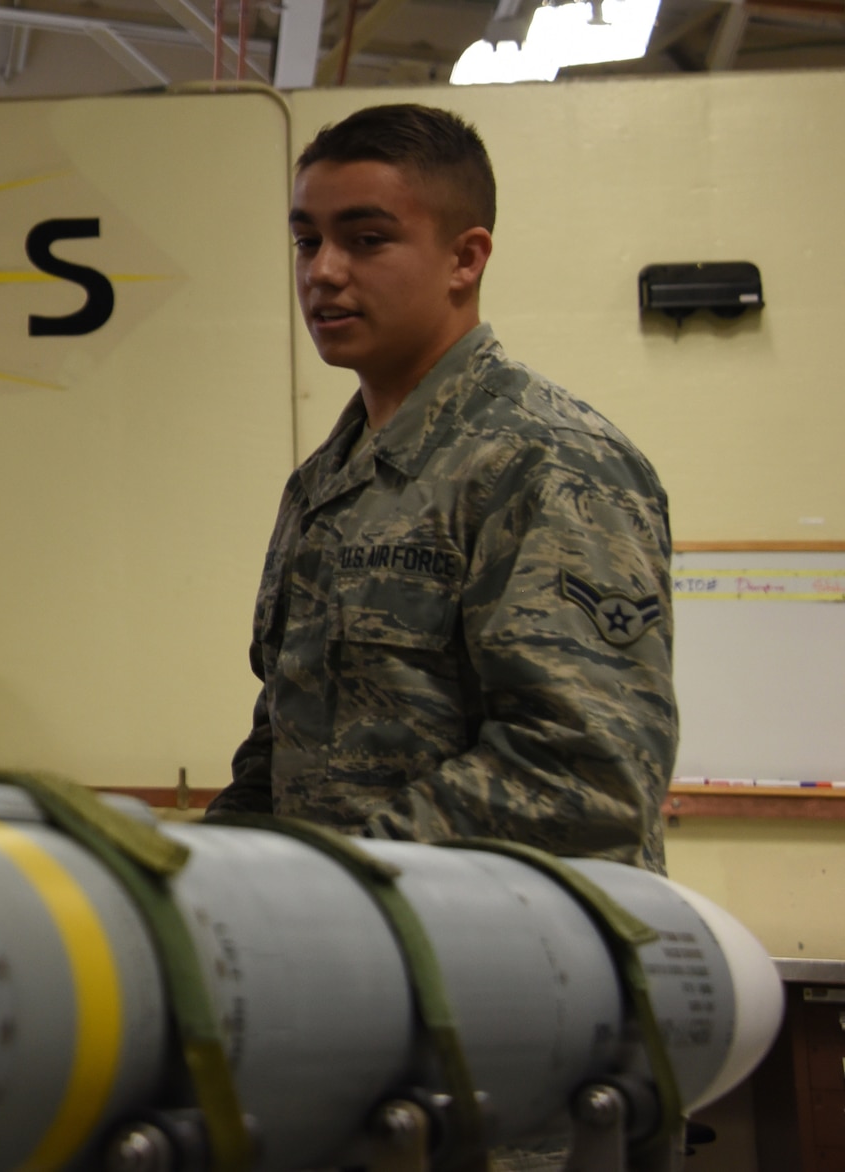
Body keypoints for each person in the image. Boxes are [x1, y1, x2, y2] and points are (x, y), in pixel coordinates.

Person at [208, 104, 676, 873]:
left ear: (465, 259)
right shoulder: (324, 484)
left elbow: (582, 779)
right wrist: (196, 877)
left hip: (507, 965)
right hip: (359, 955)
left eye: (366, 240)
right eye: (306, 241)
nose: (322, 271)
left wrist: (335, 879)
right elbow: (283, 747)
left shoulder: (548, 462)